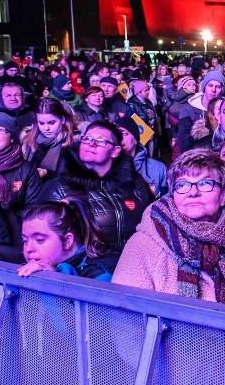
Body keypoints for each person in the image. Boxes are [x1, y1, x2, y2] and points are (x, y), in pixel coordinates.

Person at [112, 150, 225, 304]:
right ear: (173, 194)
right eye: (182, 184)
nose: (193, 192)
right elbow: (125, 314)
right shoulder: (142, 244)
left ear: (223, 195)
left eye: (205, 183)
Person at [39, 119, 152, 252]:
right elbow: (42, 239)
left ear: (115, 151)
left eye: (101, 141)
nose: (91, 144)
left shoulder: (135, 184)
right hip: (84, 271)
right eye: (86, 139)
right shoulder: (58, 189)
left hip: (134, 266)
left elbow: (152, 223)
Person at [17, 200, 119, 281]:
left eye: (39, 240)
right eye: (25, 241)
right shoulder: (38, 266)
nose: (28, 249)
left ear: (67, 241)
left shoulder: (100, 276)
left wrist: (54, 281)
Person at [21, 99, 76, 180]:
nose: (46, 128)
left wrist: (46, 173)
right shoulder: (29, 140)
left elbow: (72, 177)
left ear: (63, 120)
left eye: (51, 122)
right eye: (42, 123)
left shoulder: (73, 143)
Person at [115, 116, 168, 200]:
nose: (120, 138)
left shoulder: (158, 168)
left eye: (124, 133)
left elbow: (166, 200)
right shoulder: (107, 168)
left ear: (135, 139)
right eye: (116, 134)